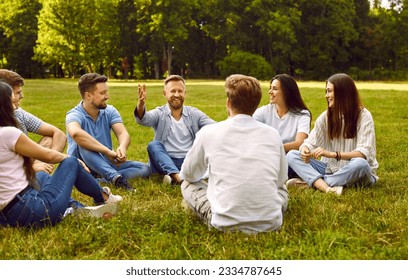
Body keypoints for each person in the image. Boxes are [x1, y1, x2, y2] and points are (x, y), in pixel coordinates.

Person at [0, 82, 122, 228]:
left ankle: (77, 209)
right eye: (13, 100)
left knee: (41, 177)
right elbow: (48, 155)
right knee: (72, 163)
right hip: (31, 211)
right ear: (5, 104)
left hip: (6, 218)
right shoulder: (8, 133)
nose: (17, 104)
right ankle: (104, 198)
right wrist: (72, 160)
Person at [179, 74, 289, 234]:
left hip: (223, 223)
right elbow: (280, 180)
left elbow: (188, 175)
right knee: (283, 189)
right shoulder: (273, 134)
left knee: (187, 185)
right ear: (256, 105)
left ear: (228, 102)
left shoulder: (208, 132)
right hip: (271, 223)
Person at [286, 73, 379, 195]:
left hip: (357, 171)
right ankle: (328, 183)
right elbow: (309, 143)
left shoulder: (364, 116)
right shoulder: (326, 117)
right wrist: (305, 150)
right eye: (326, 91)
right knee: (292, 155)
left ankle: (315, 183)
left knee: (361, 164)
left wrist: (333, 154)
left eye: (329, 91)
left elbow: (363, 153)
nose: (326, 95)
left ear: (342, 93)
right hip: (330, 169)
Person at [66, 73, 151, 191]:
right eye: (102, 93)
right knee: (84, 144)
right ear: (88, 95)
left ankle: (101, 180)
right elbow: (76, 133)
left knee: (144, 169)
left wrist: (122, 147)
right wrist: (106, 151)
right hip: (83, 166)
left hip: (105, 162)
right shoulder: (74, 114)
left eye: (106, 91)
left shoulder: (109, 111)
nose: (107, 96)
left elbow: (122, 133)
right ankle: (116, 178)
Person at [135, 75, 215, 185]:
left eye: (180, 91)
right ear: (165, 94)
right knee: (153, 145)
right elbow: (143, 119)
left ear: (185, 93)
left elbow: (214, 126)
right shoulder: (160, 113)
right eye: (173, 91)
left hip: (188, 161)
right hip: (164, 161)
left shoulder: (194, 114)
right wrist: (141, 105)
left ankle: (173, 177)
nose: (176, 95)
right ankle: (178, 177)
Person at [0, 69, 67, 175]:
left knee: (49, 140)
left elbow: (58, 134)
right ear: (5, 94)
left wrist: (48, 162)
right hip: (8, 175)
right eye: (17, 93)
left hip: (22, 165)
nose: (22, 96)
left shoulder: (18, 113)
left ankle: (40, 177)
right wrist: (31, 168)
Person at [253, 73, 311, 153]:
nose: (270, 92)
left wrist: (273, 148)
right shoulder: (265, 111)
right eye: (270, 88)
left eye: (275, 89)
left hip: (290, 159)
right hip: (269, 156)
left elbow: (300, 143)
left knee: (292, 155)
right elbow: (247, 123)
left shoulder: (302, 114)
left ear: (287, 92)